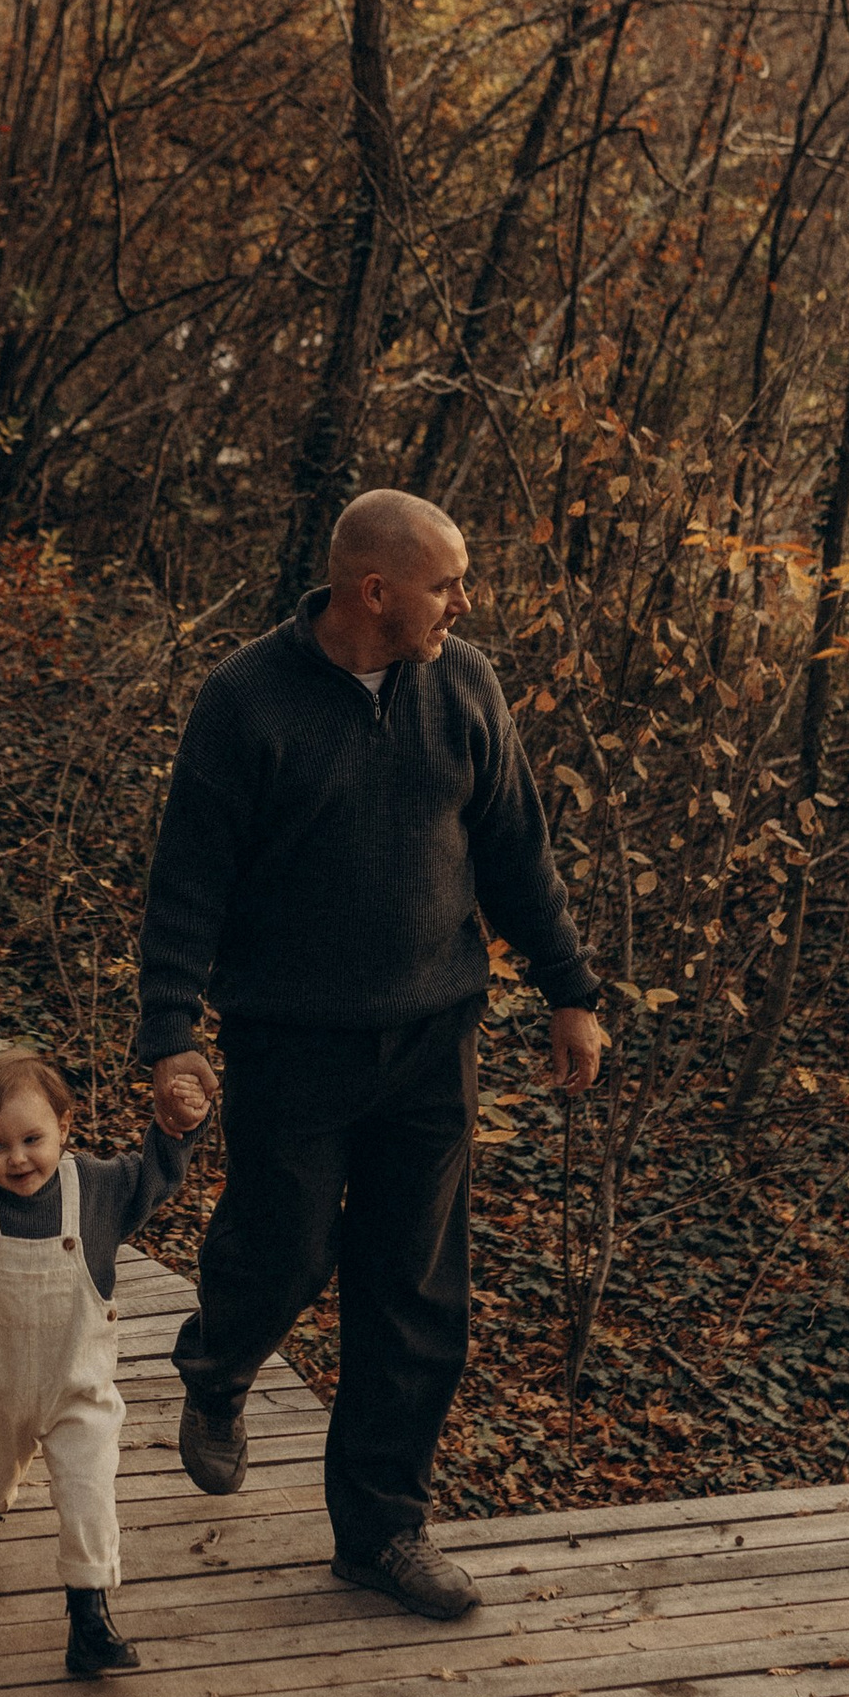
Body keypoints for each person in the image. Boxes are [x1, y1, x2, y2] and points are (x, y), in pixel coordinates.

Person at [139, 489, 605, 1620]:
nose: (464, 600)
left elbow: (513, 848)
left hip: (434, 1036)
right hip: (289, 1040)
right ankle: (219, 1362)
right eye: (446, 581)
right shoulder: (245, 700)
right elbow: (186, 877)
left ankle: (382, 1532)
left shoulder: (466, 685)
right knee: (283, 1247)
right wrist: (168, 1031)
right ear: (374, 589)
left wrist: (569, 990)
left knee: (414, 1290)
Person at [0, 1048, 213, 1678]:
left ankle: (89, 1620)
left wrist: (176, 1127)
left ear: (65, 1125)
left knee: (89, 1493)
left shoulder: (101, 1189)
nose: (16, 1158)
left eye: (33, 1139)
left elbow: (154, 1176)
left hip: (76, 1386)